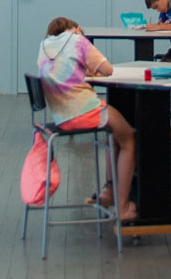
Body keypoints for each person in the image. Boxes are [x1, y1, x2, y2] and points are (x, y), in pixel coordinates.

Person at [36, 17, 137, 222]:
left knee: (113, 135)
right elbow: (108, 70)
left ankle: (110, 190)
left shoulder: (45, 45)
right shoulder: (78, 40)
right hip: (85, 110)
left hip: (61, 117)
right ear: (78, 29)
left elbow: (66, 68)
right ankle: (123, 207)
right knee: (128, 138)